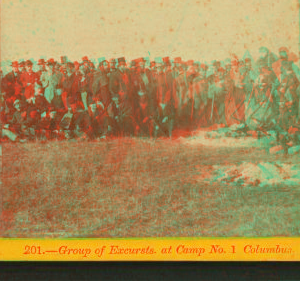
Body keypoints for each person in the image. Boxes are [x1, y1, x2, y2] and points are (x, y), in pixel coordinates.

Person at [109, 57, 134, 136]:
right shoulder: (115, 74)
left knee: (127, 115)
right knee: (119, 115)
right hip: (119, 98)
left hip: (127, 97)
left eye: (124, 65)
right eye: (121, 65)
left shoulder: (127, 73)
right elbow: (112, 88)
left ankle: (127, 131)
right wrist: (116, 98)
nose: (123, 67)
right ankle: (120, 132)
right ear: (118, 66)